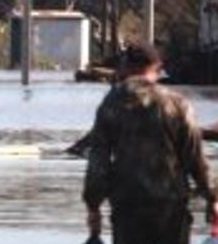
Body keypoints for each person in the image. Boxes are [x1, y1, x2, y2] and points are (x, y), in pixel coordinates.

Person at [84, 41, 215, 244]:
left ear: (125, 67)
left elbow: (98, 162)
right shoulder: (177, 104)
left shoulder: (110, 105)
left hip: (127, 209)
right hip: (170, 209)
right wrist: (212, 197)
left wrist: (93, 205)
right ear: (157, 68)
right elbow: (195, 159)